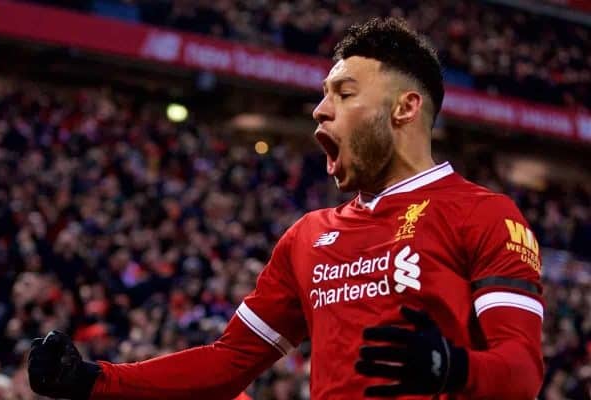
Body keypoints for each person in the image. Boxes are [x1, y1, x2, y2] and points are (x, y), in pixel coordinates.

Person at [28, 17, 544, 399]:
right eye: (324, 95)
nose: (320, 109)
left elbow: (522, 372)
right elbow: (229, 363)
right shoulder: (307, 237)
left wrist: (454, 368)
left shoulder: (485, 215)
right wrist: (94, 381)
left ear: (404, 108)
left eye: (343, 93)